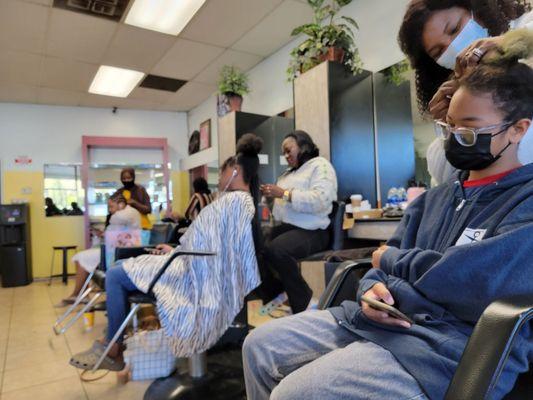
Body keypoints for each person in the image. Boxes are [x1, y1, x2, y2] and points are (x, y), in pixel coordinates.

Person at [242, 38, 533, 400]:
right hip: (377, 321)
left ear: (518, 129)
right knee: (259, 345)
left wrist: (390, 260)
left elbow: (474, 279)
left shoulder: (526, 199)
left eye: (470, 129)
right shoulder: (432, 200)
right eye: (451, 128)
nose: (456, 139)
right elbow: (386, 263)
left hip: (445, 346)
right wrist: (370, 290)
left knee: (296, 393)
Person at [69, 134, 263, 372]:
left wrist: (181, 252)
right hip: (190, 261)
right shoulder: (238, 202)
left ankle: (113, 348)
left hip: (195, 272)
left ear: (234, 170)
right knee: (119, 268)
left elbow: (214, 249)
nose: (220, 178)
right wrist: (176, 249)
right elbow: (210, 244)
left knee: (115, 276)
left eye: (223, 172)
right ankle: (114, 345)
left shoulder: (234, 203)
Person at [398, 0, 533, 185]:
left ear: (478, 10)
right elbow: (450, 183)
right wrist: (453, 130)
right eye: (438, 51)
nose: (453, 47)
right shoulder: (457, 94)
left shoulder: (526, 28)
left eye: (454, 29)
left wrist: (509, 44)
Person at [259, 130, 337, 314]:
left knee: (277, 249)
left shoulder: (320, 166)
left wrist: (283, 193)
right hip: (288, 229)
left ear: (303, 146)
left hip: (314, 230)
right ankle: (279, 294)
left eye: (288, 150)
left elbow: (321, 200)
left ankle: (305, 301)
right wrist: (271, 198)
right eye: (284, 153)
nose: (286, 156)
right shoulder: (286, 175)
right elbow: (279, 210)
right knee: (254, 247)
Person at [56, 192, 141, 306]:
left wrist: (107, 231)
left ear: (121, 204)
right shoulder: (122, 214)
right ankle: (82, 295)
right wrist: (103, 234)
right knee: (79, 258)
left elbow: (116, 220)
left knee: (80, 257)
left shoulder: (128, 213)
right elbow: (116, 231)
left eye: (111, 206)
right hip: (113, 250)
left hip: (122, 253)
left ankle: (78, 295)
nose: (110, 210)